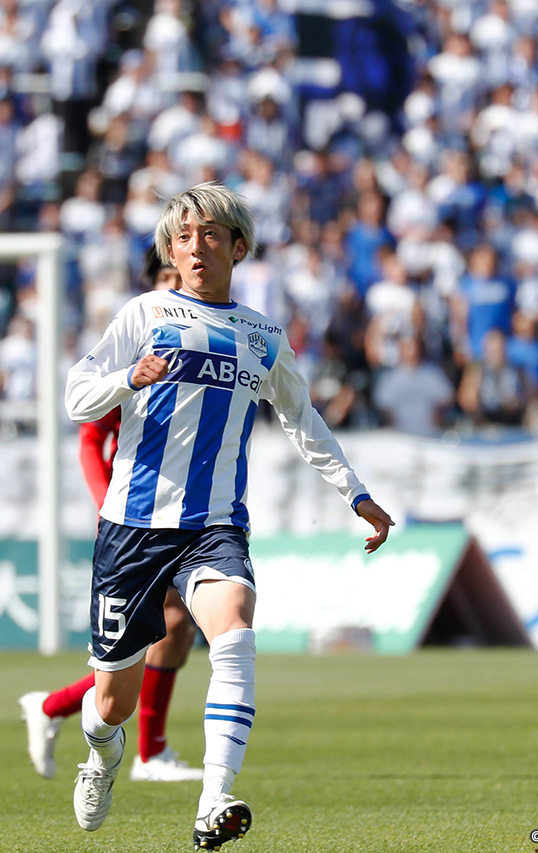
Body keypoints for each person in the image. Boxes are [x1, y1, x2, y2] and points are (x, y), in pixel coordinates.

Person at [64, 184, 393, 848]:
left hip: (214, 524)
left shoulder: (262, 336)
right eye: (183, 237)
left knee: (235, 628)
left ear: (238, 247)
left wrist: (356, 493)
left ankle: (214, 800)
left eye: (210, 234)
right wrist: (130, 378)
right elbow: (76, 397)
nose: (195, 248)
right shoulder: (145, 312)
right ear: (170, 250)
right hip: (132, 527)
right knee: (111, 703)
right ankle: (101, 754)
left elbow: (302, 420)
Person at [19, 256, 203, 784]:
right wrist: (106, 506)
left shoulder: (207, 342)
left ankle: (58, 709)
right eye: (168, 280)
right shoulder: (136, 343)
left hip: (189, 507)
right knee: (164, 628)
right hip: (136, 511)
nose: (179, 288)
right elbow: (90, 440)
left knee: (173, 631)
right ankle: (147, 750)